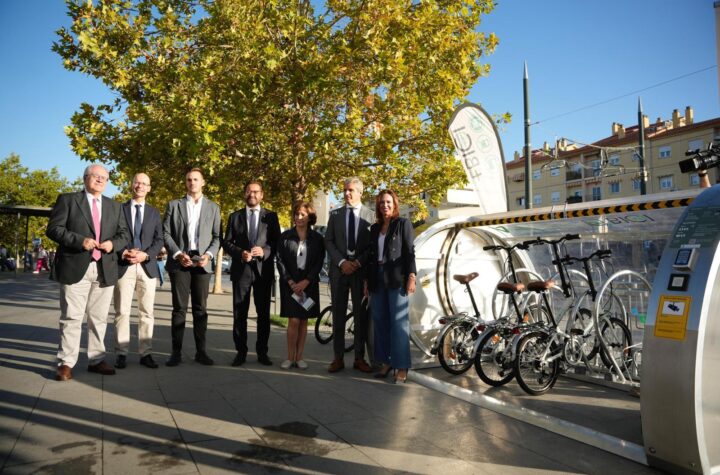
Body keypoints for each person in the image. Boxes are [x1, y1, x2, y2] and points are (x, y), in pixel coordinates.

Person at [46, 164, 130, 381]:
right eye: (96, 176)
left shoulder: (115, 206)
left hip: (104, 268)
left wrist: (113, 244)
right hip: (75, 266)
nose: (101, 180)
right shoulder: (68, 200)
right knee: (71, 317)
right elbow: (54, 229)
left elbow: (124, 234)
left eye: (104, 178)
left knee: (99, 318)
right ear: (85, 178)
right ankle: (66, 362)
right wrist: (79, 241)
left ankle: (96, 359)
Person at [163, 168, 221, 367]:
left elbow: (216, 237)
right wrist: (178, 254)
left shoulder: (213, 207)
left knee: (200, 309)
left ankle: (201, 352)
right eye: (189, 179)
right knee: (179, 309)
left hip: (202, 263)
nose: (192, 182)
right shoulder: (174, 205)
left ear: (203, 182)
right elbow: (166, 233)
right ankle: (176, 352)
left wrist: (208, 255)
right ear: (185, 183)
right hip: (180, 261)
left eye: (196, 179)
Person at [222, 180, 281, 366]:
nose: (252, 195)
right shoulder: (235, 217)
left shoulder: (271, 217)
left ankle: (262, 352)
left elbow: (277, 243)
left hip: (263, 272)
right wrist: (240, 253)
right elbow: (227, 242)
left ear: (262, 195)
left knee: (263, 314)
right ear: (244, 194)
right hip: (242, 271)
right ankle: (241, 352)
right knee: (240, 313)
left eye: (256, 192)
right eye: (248, 191)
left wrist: (265, 252)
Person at [112, 173, 164, 369]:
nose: (140, 186)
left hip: (146, 267)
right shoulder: (119, 209)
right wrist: (123, 251)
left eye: (144, 183)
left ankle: (146, 353)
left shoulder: (154, 212)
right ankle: (121, 353)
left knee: (147, 312)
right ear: (131, 185)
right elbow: (112, 234)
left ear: (149, 188)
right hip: (124, 266)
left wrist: (146, 255)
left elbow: (159, 240)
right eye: (137, 182)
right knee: (122, 311)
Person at [365, 190, 416, 384]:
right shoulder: (375, 228)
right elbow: (371, 257)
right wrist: (367, 282)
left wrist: (412, 275)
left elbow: (410, 251)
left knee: (398, 323)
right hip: (376, 278)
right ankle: (386, 362)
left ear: (394, 204)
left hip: (396, 277)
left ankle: (401, 366)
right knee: (380, 322)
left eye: (388, 202)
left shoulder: (403, 224)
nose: (384, 206)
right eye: (381, 203)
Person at [324, 177, 375, 373]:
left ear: (361, 192)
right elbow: (328, 241)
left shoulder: (370, 216)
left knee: (360, 316)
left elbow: (372, 247)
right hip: (339, 272)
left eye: (351, 190)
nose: (347, 193)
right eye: (345, 190)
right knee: (338, 314)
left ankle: (359, 358)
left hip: (360, 273)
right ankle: (338, 358)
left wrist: (358, 262)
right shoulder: (335, 215)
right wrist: (342, 262)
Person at [276, 201, 326, 369]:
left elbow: (319, 262)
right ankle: (290, 357)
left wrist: (307, 281)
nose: (298, 217)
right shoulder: (285, 237)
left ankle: (300, 357)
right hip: (290, 284)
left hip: (308, 285)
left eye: (303, 214)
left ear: (309, 217)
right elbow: (280, 260)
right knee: (294, 320)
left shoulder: (318, 239)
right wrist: (290, 281)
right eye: (296, 214)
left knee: (303, 320)